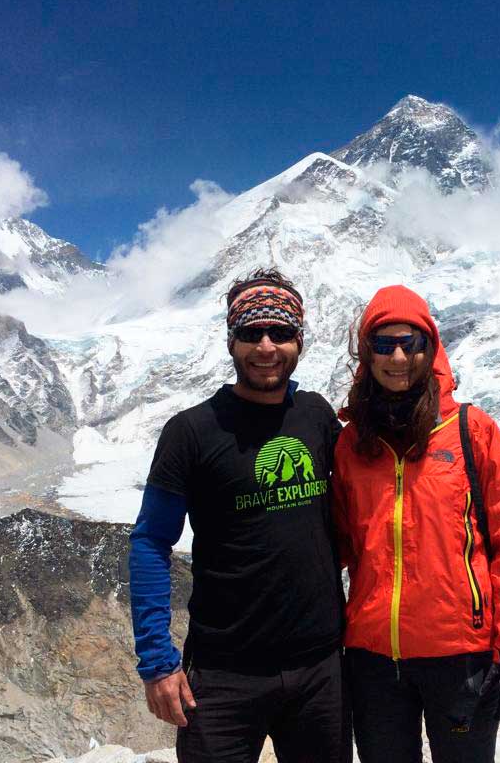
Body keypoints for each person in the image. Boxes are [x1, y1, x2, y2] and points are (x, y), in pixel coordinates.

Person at [128, 268, 349, 763]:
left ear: (300, 342)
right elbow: (150, 542)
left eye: (281, 333)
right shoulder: (191, 433)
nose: (266, 347)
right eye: (251, 333)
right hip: (223, 674)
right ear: (231, 342)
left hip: (320, 669)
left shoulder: (318, 417)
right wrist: (157, 663)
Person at [333, 285, 500, 763]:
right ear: (367, 353)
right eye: (384, 344)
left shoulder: (473, 431)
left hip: (461, 657)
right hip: (373, 658)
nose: (399, 357)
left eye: (412, 342)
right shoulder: (351, 443)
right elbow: (340, 544)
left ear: (432, 348)